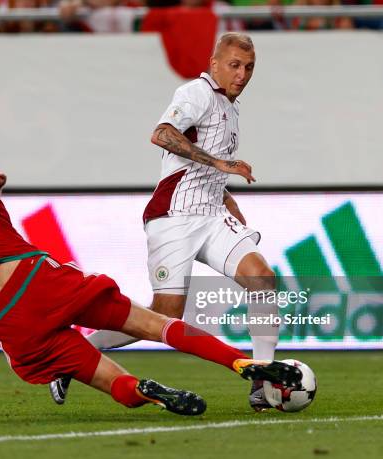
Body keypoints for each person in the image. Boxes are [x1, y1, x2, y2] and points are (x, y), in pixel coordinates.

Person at [0, 114, 301, 416]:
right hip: (35, 282)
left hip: (6, 321)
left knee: (113, 382)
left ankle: (144, 390)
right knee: (154, 322)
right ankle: (243, 362)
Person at [52, 32, 280, 411]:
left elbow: (198, 166)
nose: (242, 74)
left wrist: (225, 195)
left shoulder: (231, 108)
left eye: (249, 67)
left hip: (210, 216)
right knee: (163, 316)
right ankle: (76, 355)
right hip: (173, 218)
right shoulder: (197, 93)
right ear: (215, 65)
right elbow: (162, 134)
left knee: (262, 279)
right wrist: (221, 165)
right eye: (234, 65)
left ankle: (264, 379)